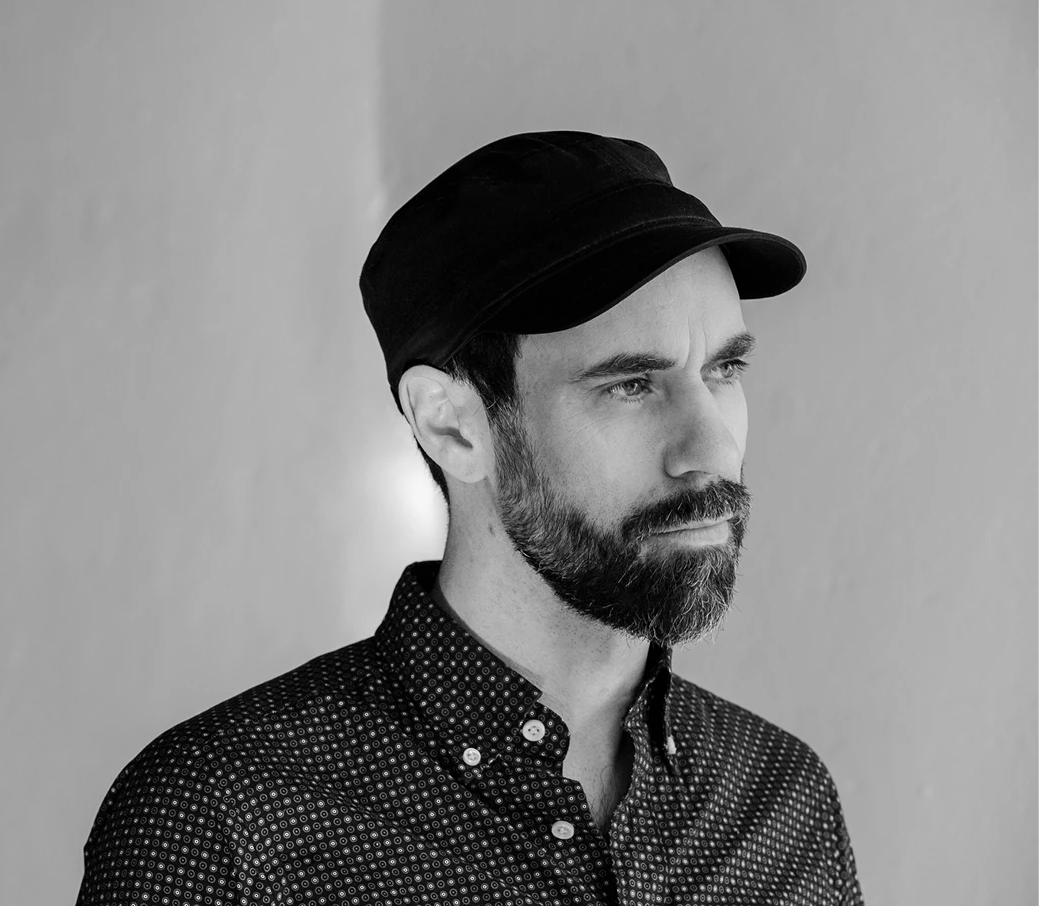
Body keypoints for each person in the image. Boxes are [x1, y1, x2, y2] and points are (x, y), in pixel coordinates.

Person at [76, 131, 862, 905]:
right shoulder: (221, 819)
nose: (712, 449)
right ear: (452, 425)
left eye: (725, 369)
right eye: (630, 385)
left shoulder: (784, 803)